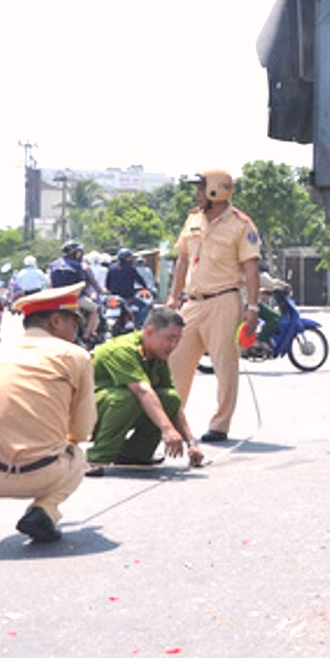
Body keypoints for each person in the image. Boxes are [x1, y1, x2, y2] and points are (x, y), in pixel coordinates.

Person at [0, 283, 96, 550]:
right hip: (44, 474)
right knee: (78, 456)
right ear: (56, 321)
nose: (76, 332)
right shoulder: (77, 356)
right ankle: (44, 512)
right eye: (74, 323)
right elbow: (82, 431)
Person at [165, 169, 261, 443]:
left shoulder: (241, 225)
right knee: (176, 362)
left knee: (225, 365)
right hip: (192, 302)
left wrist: (251, 308)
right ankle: (173, 419)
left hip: (224, 300)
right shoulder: (193, 219)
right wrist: (173, 297)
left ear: (216, 190)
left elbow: (251, 269)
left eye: (200, 188)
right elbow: (182, 260)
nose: (197, 193)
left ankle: (220, 424)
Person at [85, 306, 204, 476]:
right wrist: (168, 430)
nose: (174, 346)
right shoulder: (123, 350)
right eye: (170, 338)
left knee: (168, 398)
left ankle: (134, 454)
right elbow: (142, 391)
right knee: (127, 398)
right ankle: (95, 458)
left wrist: (191, 443)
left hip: (111, 408)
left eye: (178, 340)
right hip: (84, 412)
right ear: (149, 332)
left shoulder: (157, 356)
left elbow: (173, 402)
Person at [50, 240, 105, 343]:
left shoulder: (54, 264)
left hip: (57, 299)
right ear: (75, 253)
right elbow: (81, 284)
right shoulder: (77, 265)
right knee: (95, 310)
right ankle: (87, 335)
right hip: (74, 298)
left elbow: (51, 283)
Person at [107, 248, 151, 328]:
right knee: (144, 306)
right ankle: (139, 325)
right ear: (127, 258)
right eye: (130, 257)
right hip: (128, 296)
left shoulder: (112, 268)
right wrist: (145, 287)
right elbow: (140, 280)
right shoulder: (130, 269)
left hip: (113, 296)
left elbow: (107, 284)